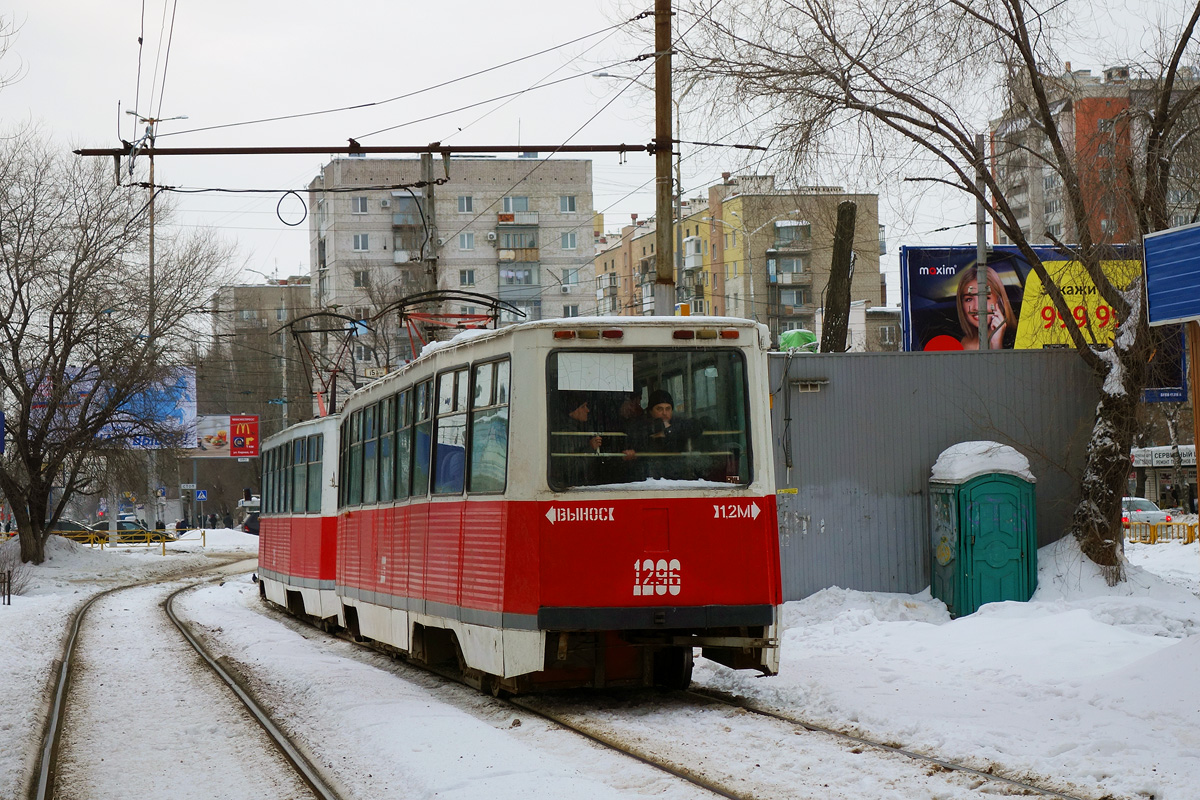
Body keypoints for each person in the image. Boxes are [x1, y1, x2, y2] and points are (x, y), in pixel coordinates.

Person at [955, 264, 1017, 350]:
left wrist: (996, 344)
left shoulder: (1016, 340)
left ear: (999, 301)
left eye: (985, 298)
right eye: (969, 299)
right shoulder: (955, 341)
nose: (976, 307)